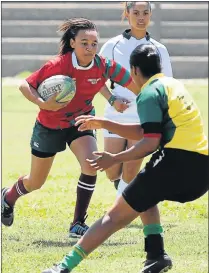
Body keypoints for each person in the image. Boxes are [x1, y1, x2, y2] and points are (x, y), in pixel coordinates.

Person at [41, 44, 208, 273]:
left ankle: (63, 267)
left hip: (175, 163)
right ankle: (156, 255)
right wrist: (105, 123)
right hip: (201, 168)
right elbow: (146, 131)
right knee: (146, 192)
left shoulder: (149, 93)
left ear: (134, 70)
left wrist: (114, 158)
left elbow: (149, 143)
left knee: (113, 217)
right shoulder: (172, 85)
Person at [1, 18, 137, 238]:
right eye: (84, 43)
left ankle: (77, 224)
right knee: (36, 182)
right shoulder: (58, 65)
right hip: (49, 126)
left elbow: (131, 82)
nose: (90, 48)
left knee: (92, 164)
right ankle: (7, 198)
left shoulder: (102, 64)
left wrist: (151, 100)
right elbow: (25, 85)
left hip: (80, 121)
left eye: (94, 44)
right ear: (72, 43)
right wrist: (43, 103)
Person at [99, 1, 173, 195]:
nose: (141, 17)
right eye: (136, 12)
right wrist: (111, 99)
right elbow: (96, 77)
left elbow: (167, 85)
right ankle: (122, 190)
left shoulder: (159, 49)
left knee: (131, 171)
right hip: (115, 115)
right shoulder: (112, 46)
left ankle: (119, 212)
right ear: (127, 13)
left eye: (146, 13)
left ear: (150, 15)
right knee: (112, 171)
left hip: (144, 117)